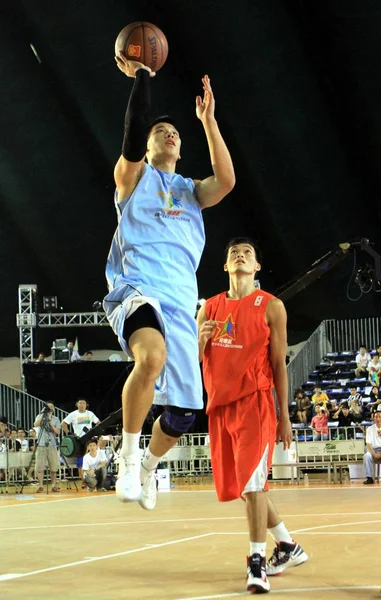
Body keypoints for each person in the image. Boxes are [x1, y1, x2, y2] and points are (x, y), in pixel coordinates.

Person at [103, 52, 235, 510]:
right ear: (149, 143)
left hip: (182, 302)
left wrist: (209, 121)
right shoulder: (133, 177)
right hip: (137, 288)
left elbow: (227, 180)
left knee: (183, 414)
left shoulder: (192, 192)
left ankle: (148, 467)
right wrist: (142, 76)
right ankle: (127, 455)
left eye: (174, 133)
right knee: (151, 355)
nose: (169, 134)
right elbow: (133, 129)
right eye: (162, 131)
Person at [197, 238, 307, 594]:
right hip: (220, 408)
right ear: (226, 266)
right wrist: (198, 341)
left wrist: (285, 416)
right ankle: (288, 546)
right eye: (233, 254)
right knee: (246, 488)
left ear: (256, 266)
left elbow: (279, 364)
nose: (239, 256)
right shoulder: (208, 309)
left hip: (255, 404)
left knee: (253, 484)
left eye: (246, 253)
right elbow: (191, 362)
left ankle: (256, 563)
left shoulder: (270, 306)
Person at [61, 399, 100, 485]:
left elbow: (98, 423)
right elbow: (63, 423)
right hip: (78, 440)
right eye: (80, 403)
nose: (82, 405)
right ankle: (83, 480)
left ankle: (92, 478)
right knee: (80, 461)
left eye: (84, 403)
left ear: (86, 405)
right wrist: (68, 433)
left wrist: (95, 431)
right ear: (77, 404)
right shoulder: (73, 414)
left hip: (89, 439)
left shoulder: (90, 414)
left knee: (90, 459)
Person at [34, 402, 61, 493]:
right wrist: (42, 414)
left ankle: (53, 485)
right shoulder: (40, 416)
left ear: (54, 408)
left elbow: (58, 432)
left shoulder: (56, 419)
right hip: (41, 444)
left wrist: (51, 425)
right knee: (40, 466)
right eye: (48, 407)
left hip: (52, 444)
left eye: (52, 407)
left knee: (53, 466)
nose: (50, 408)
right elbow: (36, 424)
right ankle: (41, 485)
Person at [363, 406, 381, 484]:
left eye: (380, 417)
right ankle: (369, 478)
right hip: (373, 449)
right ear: (373, 418)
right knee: (367, 456)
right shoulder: (369, 429)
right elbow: (369, 444)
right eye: (376, 417)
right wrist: (374, 453)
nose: (378, 419)